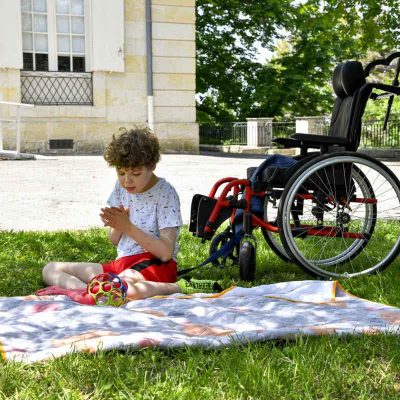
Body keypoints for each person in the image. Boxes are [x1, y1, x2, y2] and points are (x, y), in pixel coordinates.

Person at [38, 127, 221, 304]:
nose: (127, 180)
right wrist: (117, 225)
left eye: (136, 173)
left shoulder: (165, 193)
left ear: (151, 166)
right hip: (122, 264)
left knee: (119, 288)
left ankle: (178, 287)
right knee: (50, 269)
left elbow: (165, 253)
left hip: (154, 264)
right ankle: (87, 293)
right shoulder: (122, 188)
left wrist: (128, 227)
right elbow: (115, 240)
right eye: (121, 173)